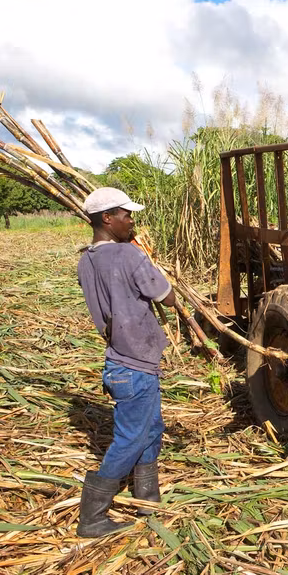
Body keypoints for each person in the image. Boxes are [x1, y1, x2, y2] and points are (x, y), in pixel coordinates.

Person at [75, 187, 176, 537]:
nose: (131, 220)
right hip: (134, 363)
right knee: (131, 438)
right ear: (107, 218)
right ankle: (92, 517)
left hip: (121, 363)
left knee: (151, 429)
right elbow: (166, 294)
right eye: (126, 214)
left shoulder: (85, 260)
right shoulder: (129, 256)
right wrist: (148, 262)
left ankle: (146, 494)